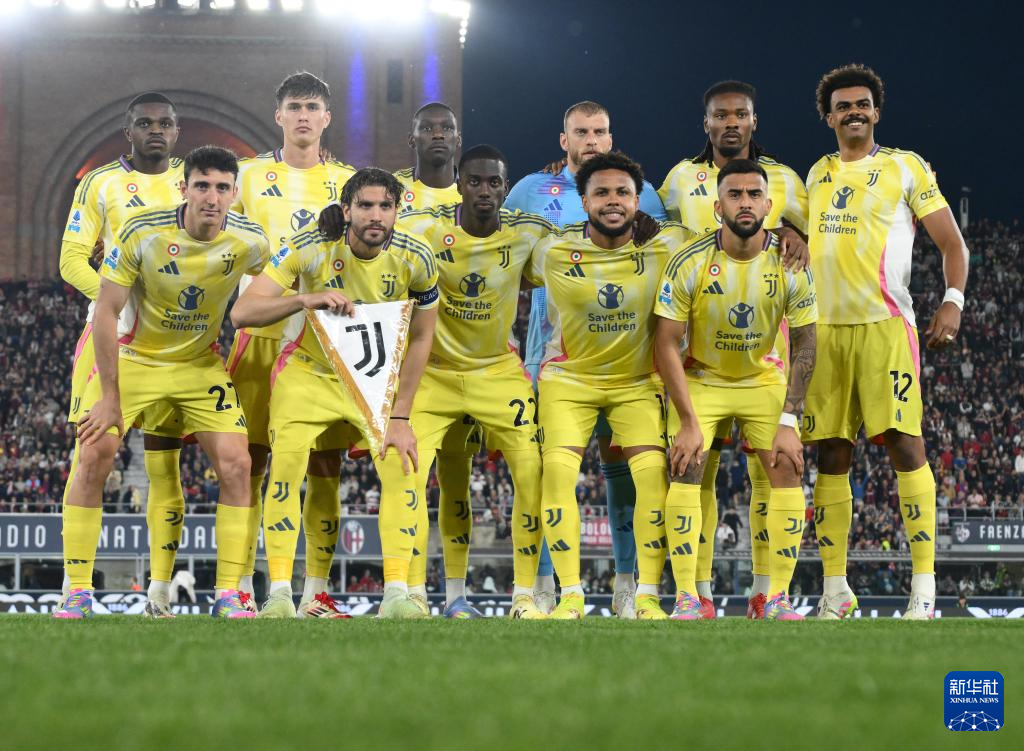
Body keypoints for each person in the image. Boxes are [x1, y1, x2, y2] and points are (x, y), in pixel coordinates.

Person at [53, 145, 271, 620]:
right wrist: (110, 397)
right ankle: (77, 590)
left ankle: (229, 593)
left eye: (222, 188)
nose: (212, 197)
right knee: (94, 453)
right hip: (135, 357)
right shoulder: (141, 231)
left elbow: (286, 273)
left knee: (238, 464)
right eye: (202, 186)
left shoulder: (250, 239)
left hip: (199, 364)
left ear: (234, 193)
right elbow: (106, 313)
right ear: (184, 188)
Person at [231, 167, 438, 619]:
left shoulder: (417, 256)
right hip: (310, 374)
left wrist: (401, 416)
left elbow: (424, 336)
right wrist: (304, 299)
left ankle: (396, 594)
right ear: (346, 210)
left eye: (385, 206)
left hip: (375, 380)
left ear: (397, 211)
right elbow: (243, 312)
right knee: (287, 470)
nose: (376, 215)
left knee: (402, 468)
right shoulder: (310, 246)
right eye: (365, 205)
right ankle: (281, 594)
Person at [803, 64, 969, 620]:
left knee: (904, 443)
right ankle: (835, 592)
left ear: (876, 111)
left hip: (885, 326)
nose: (853, 112)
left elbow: (952, 242)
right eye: (842, 106)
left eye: (862, 104)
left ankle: (924, 590)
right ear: (828, 117)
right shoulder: (816, 174)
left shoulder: (905, 166)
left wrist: (953, 299)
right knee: (831, 453)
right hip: (825, 331)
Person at [505, 100, 668, 618]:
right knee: (549, 471)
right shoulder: (530, 190)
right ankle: (547, 586)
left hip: (628, 363)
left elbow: (674, 258)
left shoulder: (645, 195)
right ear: (564, 140)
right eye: (581, 132)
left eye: (599, 131)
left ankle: (627, 584)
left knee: (624, 472)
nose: (591, 140)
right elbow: (500, 254)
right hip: (552, 356)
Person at [658, 81, 810, 619]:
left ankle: (773, 595)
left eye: (739, 114)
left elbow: (806, 252)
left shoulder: (786, 190)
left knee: (779, 468)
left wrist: (789, 419)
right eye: (719, 115)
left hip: (764, 362)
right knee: (690, 465)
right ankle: (691, 595)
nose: (729, 122)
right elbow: (652, 231)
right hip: (699, 362)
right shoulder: (679, 183)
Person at [398, 144, 553, 619]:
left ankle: (523, 596)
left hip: (497, 372)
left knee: (532, 472)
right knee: (410, 474)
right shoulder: (425, 230)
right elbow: (374, 235)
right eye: (475, 181)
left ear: (505, 189)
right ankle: (418, 595)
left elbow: (581, 247)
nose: (485, 190)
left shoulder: (527, 234)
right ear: (460, 185)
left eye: (494, 183)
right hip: (434, 374)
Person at [225, 71, 356, 618]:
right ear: (278, 115)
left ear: (327, 118)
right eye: (294, 107)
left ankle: (315, 591)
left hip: (325, 344)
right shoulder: (247, 176)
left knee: (325, 466)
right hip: (260, 337)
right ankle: (242, 587)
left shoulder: (349, 182)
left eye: (312, 107)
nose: (303, 115)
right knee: (251, 464)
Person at [58, 92, 189, 618]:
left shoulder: (195, 180)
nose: (156, 130)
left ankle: (160, 593)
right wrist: (117, 300)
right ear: (127, 130)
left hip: (178, 339)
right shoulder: (100, 183)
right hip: (113, 335)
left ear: (176, 130)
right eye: (145, 123)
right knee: (93, 455)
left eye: (165, 123)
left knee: (166, 464)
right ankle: (75, 589)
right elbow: (71, 259)